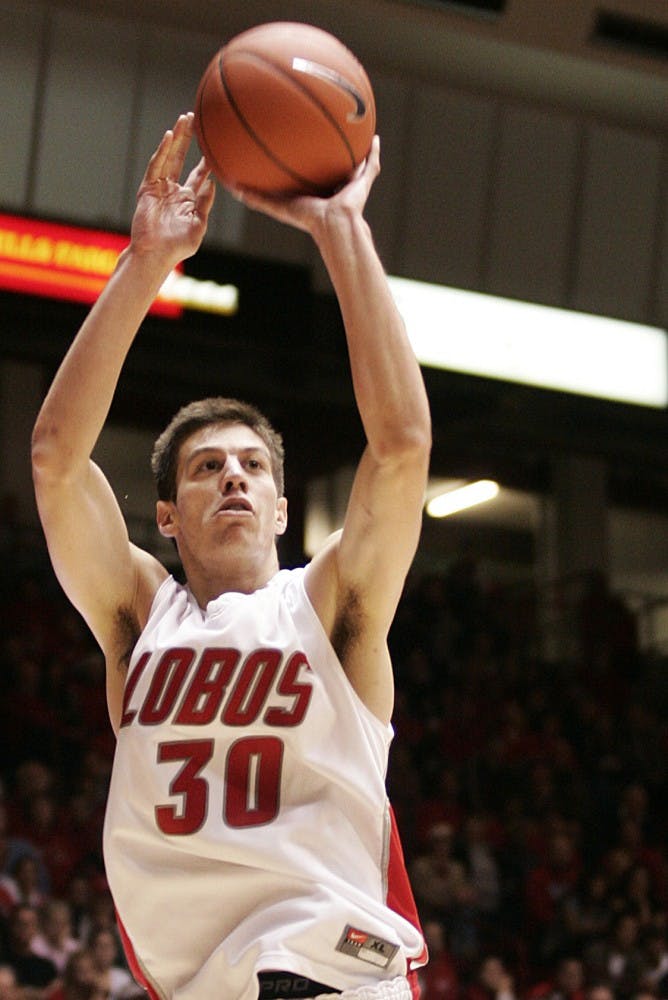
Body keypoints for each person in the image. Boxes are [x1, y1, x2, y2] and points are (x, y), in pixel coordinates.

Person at [31, 112, 431, 1000]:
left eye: (253, 466)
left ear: (285, 507)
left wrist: (342, 230)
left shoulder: (330, 605)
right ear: (167, 516)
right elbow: (56, 459)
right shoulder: (139, 618)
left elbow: (401, 448)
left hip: (327, 965)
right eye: (208, 469)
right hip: (201, 982)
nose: (235, 480)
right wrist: (145, 263)